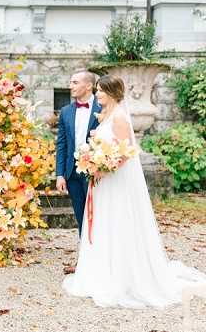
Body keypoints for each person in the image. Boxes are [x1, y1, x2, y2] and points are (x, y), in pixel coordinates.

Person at [63, 75, 206, 308]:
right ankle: (100, 272)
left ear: (110, 92)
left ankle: (122, 277)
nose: (97, 94)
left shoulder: (119, 116)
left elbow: (127, 152)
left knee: (116, 222)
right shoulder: (106, 114)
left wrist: (103, 167)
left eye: (100, 91)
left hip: (114, 181)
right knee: (103, 224)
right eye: (97, 91)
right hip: (103, 182)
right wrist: (93, 161)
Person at [55, 70, 101, 241]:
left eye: (75, 82)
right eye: (70, 82)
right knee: (81, 215)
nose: (70, 86)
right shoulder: (65, 111)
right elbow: (62, 144)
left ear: (88, 86)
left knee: (99, 214)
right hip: (72, 172)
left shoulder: (103, 107)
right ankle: (86, 257)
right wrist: (60, 174)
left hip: (97, 171)